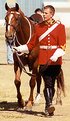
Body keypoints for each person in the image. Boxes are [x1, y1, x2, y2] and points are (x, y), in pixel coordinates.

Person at [13, 5, 66, 116]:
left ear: (52, 14)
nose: (43, 15)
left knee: (51, 84)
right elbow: (31, 44)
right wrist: (20, 48)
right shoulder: (38, 27)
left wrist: (56, 55)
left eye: (46, 13)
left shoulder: (60, 27)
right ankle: (48, 106)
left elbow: (62, 45)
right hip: (43, 59)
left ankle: (49, 103)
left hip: (56, 60)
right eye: (43, 13)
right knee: (47, 82)